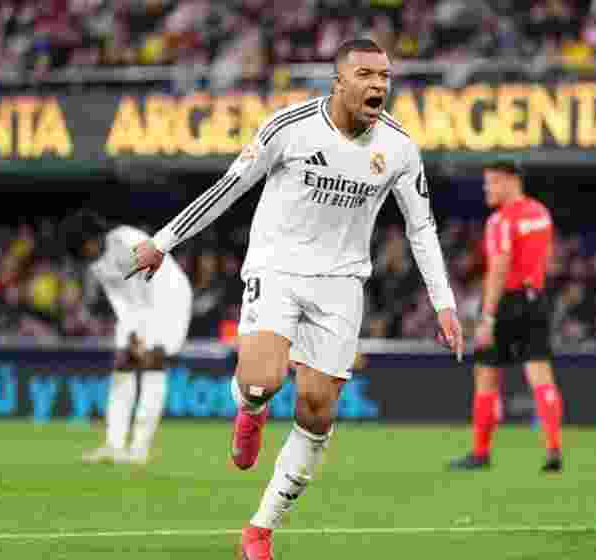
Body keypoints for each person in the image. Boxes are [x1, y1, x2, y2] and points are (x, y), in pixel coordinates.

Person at [128, 38, 464, 560]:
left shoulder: (399, 147)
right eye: (366, 74)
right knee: (261, 380)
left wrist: (443, 303)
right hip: (277, 270)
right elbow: (227, 190)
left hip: (341, 286)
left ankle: (260, 528)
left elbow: (421, 228)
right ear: (339, 81)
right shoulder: (289, 127)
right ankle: (251, 407)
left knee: (317, 410)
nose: (378, 85)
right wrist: (162, 243)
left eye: (385, 76)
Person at [447, 159, 563, 473]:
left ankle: (481, 453)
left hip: (505, 301)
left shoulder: (500, 221)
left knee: (486, 375)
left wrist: (487, 317)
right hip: (536, 298)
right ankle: (553, 449)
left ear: (510, 181)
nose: (487, 189)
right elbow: (544, 259)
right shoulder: (541, 214)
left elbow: (499, 267)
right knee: (541, 375)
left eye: (492, 182)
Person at [59, 209, 192, 465]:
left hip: (168, 297)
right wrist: (132, 331)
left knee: (153, 365)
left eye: (84, 245)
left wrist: (148, 332)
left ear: (92, 237)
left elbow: (156, 277)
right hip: (137, 307)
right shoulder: (97, 263)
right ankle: (114, 445)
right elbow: (120, 299)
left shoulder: (125, 239)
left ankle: (139, 448)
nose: (85, 253)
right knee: (123, 366)